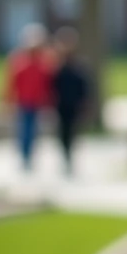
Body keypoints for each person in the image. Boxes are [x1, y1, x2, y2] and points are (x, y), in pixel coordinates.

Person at [4, 24, 53, 172]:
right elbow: (11, 82)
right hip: (23, 101)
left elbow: (48, 84)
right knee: (23, 129)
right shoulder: (20, 61)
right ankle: (24, 155)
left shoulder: (43, 63)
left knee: (33, 130)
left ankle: (30, 155)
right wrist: (8, 100)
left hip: (36, 101)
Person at [50, 27, 91, 176]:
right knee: (62, 133)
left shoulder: (78, 67)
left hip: (74, 105)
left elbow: (85, 87)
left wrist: (85, 103)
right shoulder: (57, 67)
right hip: (61, 105)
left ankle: (69, 157)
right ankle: (65, 157)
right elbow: (52, 85)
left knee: (72, 132)